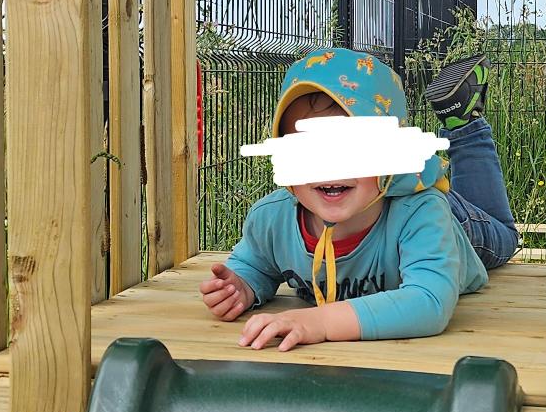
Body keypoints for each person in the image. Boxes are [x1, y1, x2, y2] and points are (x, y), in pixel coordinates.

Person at [200, 50, 519, 351]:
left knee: (504, 237)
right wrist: (241, 287)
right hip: (383, 196)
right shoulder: (271, 219)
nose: (329, 167)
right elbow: (254, 265)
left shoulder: (422, 212)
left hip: (446, 219)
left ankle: (463, 122)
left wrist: (320, 322)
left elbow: (429, 301)